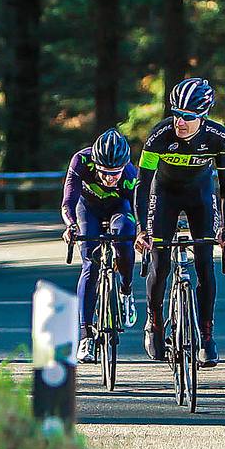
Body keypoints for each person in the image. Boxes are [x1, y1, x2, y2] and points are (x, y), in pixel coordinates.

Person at [134, 77, 225, 367]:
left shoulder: (217, 137)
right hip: (164, 194)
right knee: (160, 263)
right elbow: (142, 184)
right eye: (176, 113)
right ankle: (154, 322)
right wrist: (142, 230)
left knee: (205, 264)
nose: (180, 122)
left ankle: (206, 336)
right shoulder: (160, 135)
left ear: (202, 117)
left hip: (200, 197)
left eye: (188, 117)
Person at [62, 127, 141, 365]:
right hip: (88, 209)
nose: (109, 178)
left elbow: (138, 208)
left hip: (120, 208)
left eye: (114, 173)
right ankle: (86, 335)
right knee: (90, 263)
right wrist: (71, 226)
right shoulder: (81, 161)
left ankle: (126, 290)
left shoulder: (129, 173)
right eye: (105, 172)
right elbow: (68, 201)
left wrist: (142, 233)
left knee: (125, 238)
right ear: (95, 164)